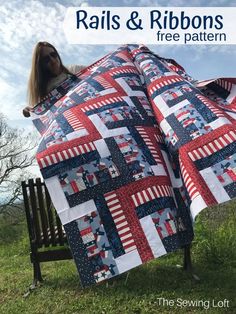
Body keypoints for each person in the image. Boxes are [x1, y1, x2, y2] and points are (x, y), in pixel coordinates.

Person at [23, 41, 85, 117]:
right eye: (46, 59)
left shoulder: (75, 70)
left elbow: (98, 72)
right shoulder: (44, 91)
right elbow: (40, 112)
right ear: (40, 65)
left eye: (53, 55)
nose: (52, 60)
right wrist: (32, 110)